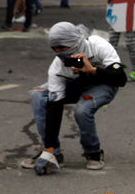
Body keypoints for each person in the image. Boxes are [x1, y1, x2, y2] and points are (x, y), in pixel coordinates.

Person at [20, 22, 126, 175]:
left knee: (82, 110)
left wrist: (92, 70)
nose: (59, 52)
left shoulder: (98, 45)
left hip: (103, 84)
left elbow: (120, 79)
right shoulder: (57, 67)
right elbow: (54, 106)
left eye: (62, 47)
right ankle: (53, 153)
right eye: (54, 48)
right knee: (38, 94)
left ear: (75, 43)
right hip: (75, 85)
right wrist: (49, 147)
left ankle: (93, 152)